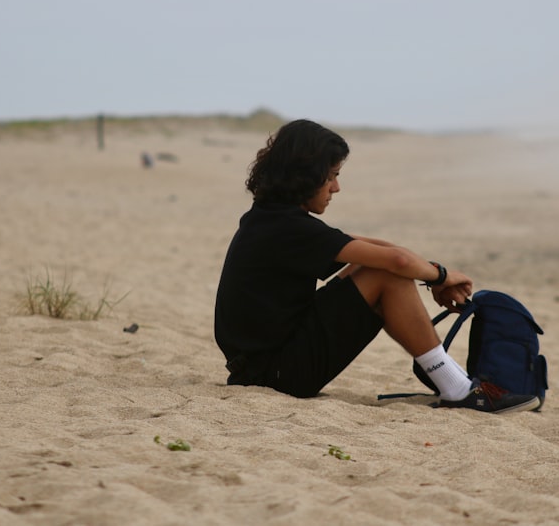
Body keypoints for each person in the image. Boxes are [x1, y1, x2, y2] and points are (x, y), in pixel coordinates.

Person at [214, 119, 540, 413]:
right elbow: (395, 261)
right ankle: (459, 390)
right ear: (306, 176)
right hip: (278, 375)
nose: (336, 188)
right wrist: (442, 276)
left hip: (264, 366)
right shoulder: (289, 228)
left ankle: (456, 386)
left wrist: (431, 274)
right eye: (331, 177)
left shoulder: (271, 219)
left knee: (373, 266)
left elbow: (378, 248)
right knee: (387, 274)